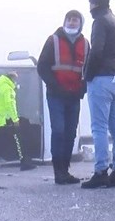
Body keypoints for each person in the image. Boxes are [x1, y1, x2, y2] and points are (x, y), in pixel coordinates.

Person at [81, 0, 115, 189]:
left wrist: (88, 75)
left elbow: (97, 51)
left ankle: (101, 171)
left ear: (94, 4)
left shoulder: (100, 21)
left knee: (99, 127)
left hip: (102, 78)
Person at [37, 10, 89, 184]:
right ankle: (58, 171)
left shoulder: (86, 43)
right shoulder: (53, 40)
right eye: (70, 19)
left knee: (70, 133)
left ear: (80, 23)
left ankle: (65, 171)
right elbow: (42, 66)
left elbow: (88, 70)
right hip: (56, 95)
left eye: (76, 20)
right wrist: (55, 86)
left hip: (74, 96)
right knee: (58, 131)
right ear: (65, 21)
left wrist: (83, 88)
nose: (72, 22)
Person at [0, 71, 36, 171]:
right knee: (19, 138)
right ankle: (24, 163)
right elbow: (10, 105)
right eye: (15, 79)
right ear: (12, 78)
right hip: (6, 119)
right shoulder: (7, 89)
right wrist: (15, 119)